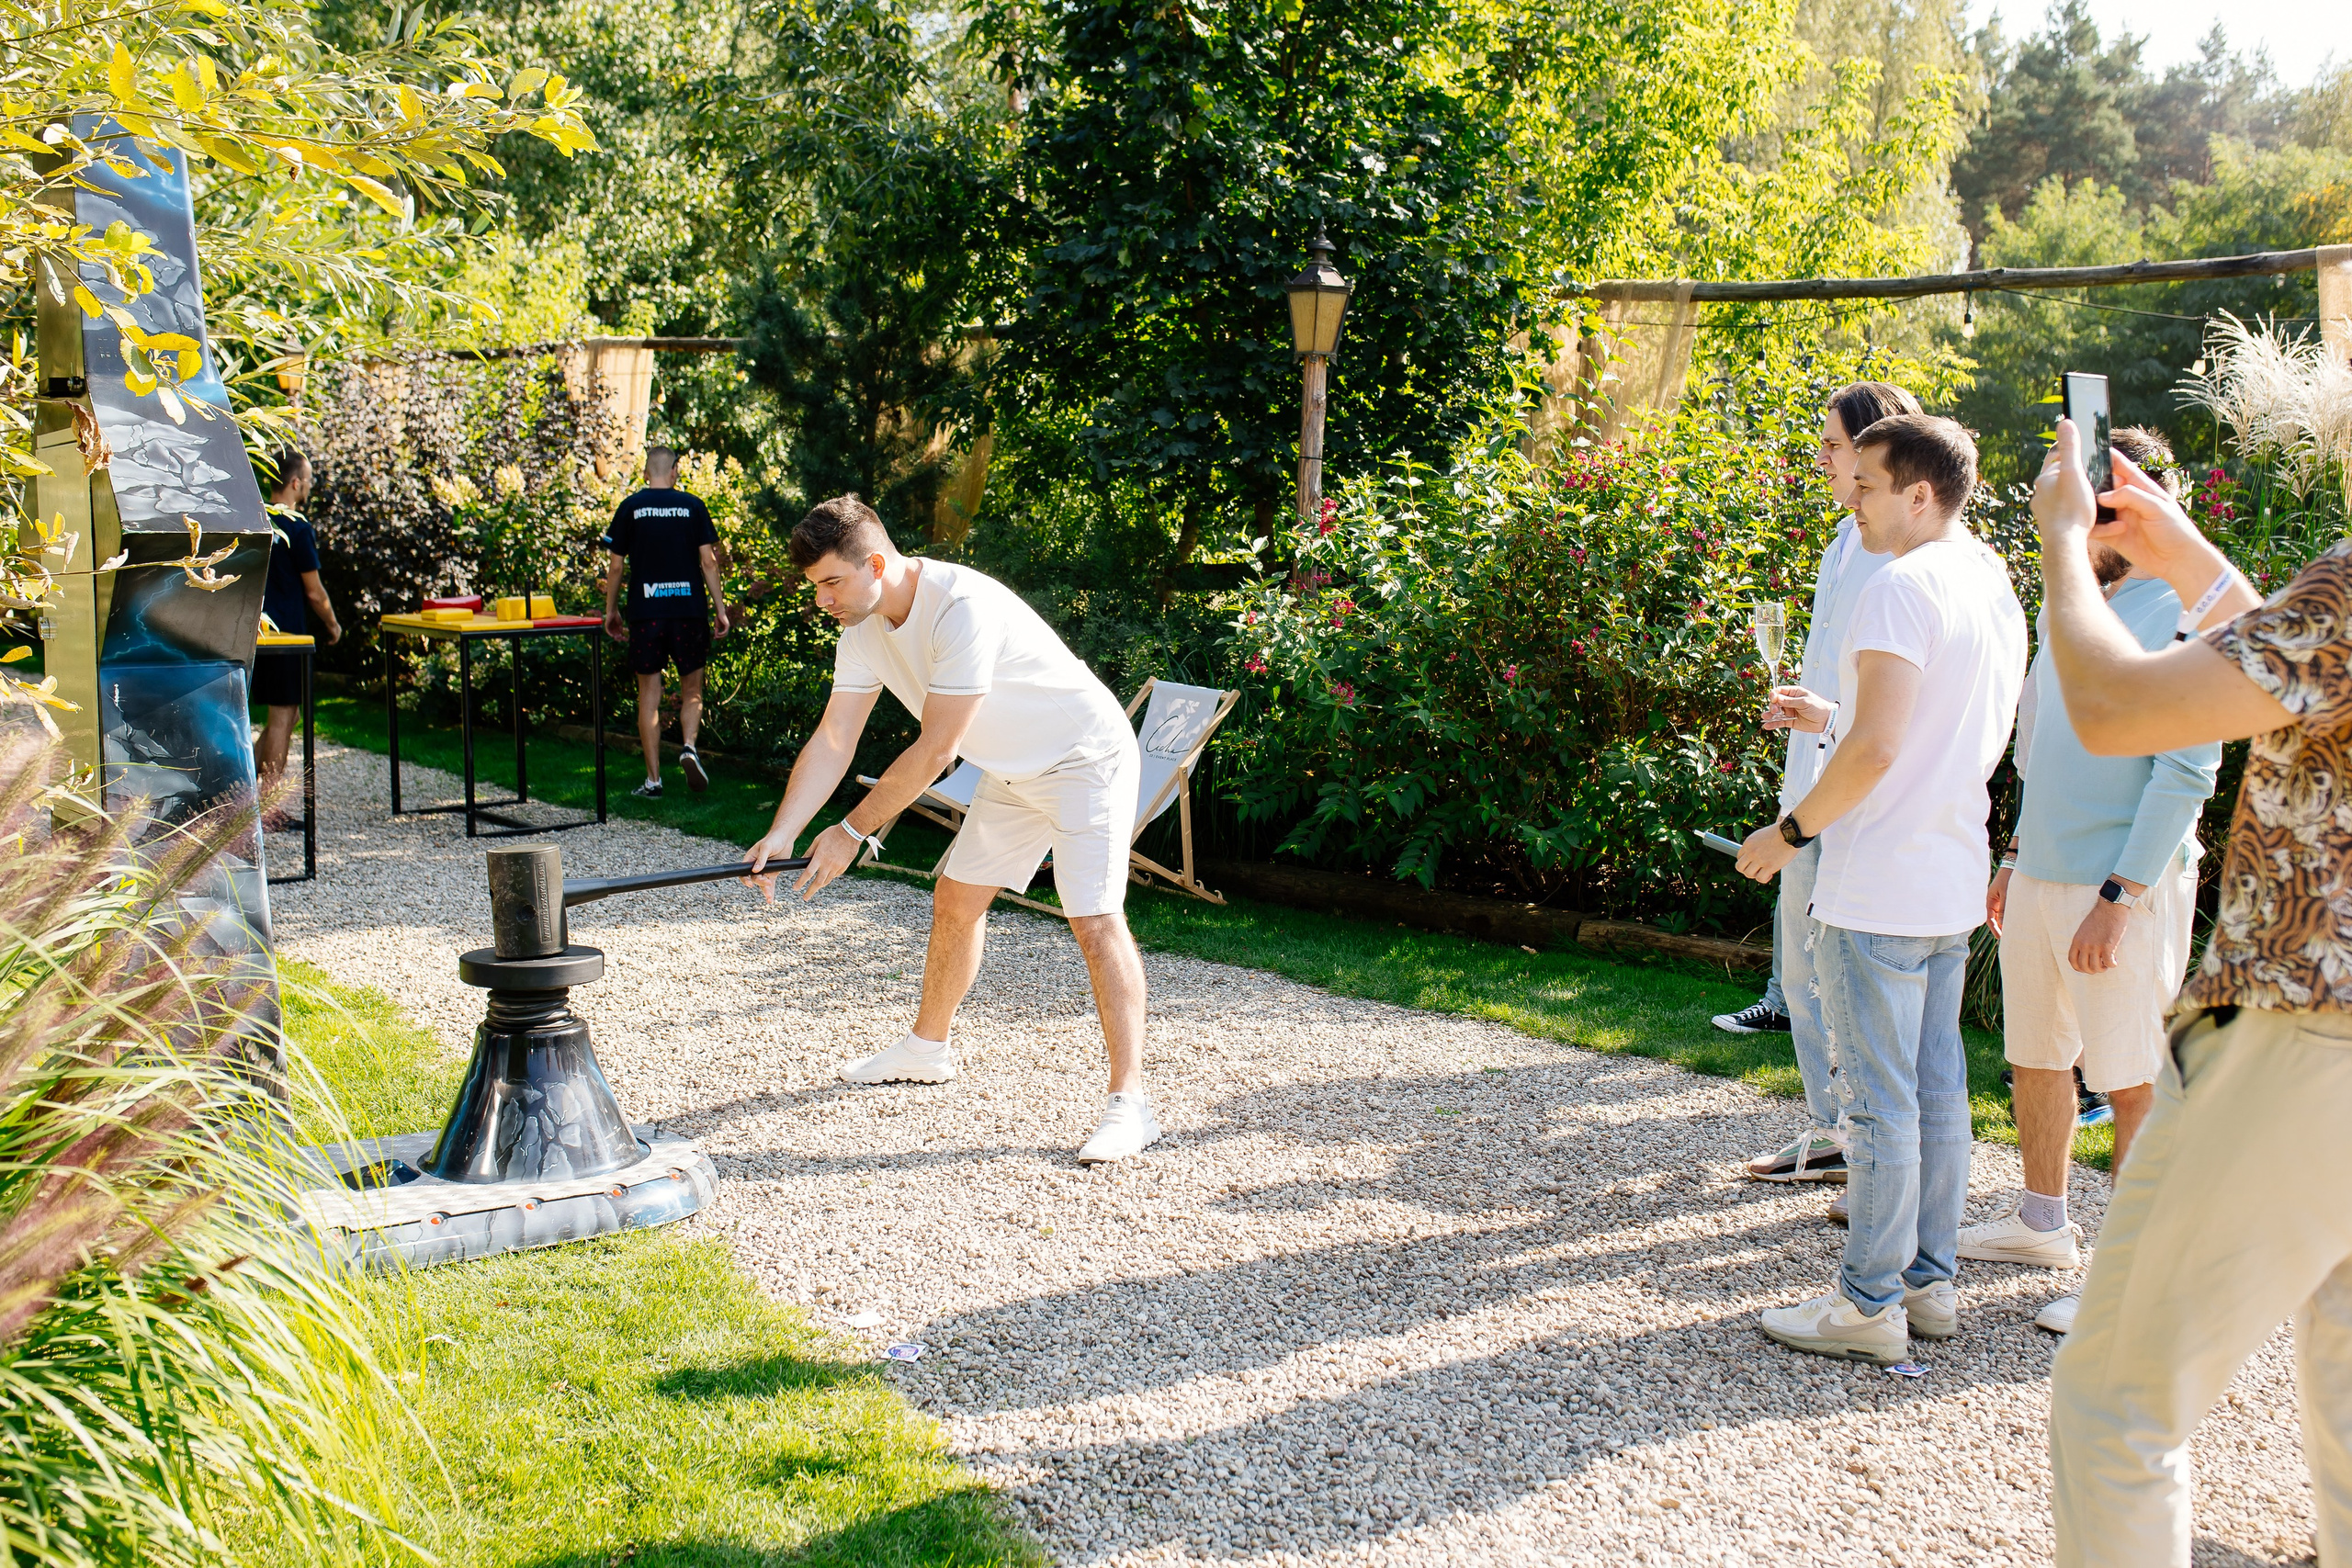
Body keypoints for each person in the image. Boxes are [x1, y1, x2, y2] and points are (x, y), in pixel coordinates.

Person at [2030, 418, 2348, 1568]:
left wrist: (2067, 546)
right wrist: (2185, 558)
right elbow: (2301, 683)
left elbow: (2116, 707)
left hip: (2303, 1037)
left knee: (2117, 1404)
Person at [739, 494, 1159, 1164]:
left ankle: (1131, 1104)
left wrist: (851, 829)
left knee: (1096, 920)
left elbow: (938, 749)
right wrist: (785, 830)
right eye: (816, 586)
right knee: (956, 901)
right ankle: (926, 1048)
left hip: (1085, 759)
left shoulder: (960, 607)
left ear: (875, 563)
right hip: (1013, 770)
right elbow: (835, 735)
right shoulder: (862, 630)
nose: (822, 600)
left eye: (830, 582)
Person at [1736, 414, 2027, 1364]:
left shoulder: (1901, 584)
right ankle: (1927, 1285)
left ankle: (1866, 1303)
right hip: (1949, 864)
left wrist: (1787, 834)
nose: (1847, 499)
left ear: (1918, 493)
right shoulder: (1990, 581)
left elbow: (1875, 748)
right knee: (1939, 1092)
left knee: (1879, 1102)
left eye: (1864, 483)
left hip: (1880, 879)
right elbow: (1931, 725)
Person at [1966, 428, 2218, 1337]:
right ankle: (2040, 1224)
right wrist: (2012, 855)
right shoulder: (2072, 605)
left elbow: (2187, 774)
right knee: (2036, 1055)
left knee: (2129, 1077)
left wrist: (2119, 896)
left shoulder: (2185, 608)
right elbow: (2039, 746)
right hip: (2040, 872)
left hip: (2122, 887)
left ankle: (2131, 1278)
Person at [1729, 381, 1920, 1199]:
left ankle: (1862, 1141)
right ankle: (1828, 1126)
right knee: (1802, 975)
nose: (1824, 459)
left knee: (1850, 983)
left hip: (1858, 800)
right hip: (1806, 779)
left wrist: (1834, 716)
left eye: (1835, 447)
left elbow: (1900, 709)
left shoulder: (1904, 557)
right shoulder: (1842, 544)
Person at [601, 447, 729, 799]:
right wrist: (719, 609)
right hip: (688, 612)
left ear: (645, 472)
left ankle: (653, 781)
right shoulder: (692, 506)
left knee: (649, 697)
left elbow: (615, 567)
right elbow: (708, 561)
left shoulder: (630, 507)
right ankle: (688, 746)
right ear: (674, 471)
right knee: (692, 691)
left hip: (646, 614)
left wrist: (610, 611)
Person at [253, 448, 340, 798]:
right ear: (294, 482)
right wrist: (333, 626)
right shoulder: (297, 526)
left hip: (259, 631)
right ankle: (267, 805)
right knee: (283, 716)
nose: (309, 487)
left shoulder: (257, 518)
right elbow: (315, 592)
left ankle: (239, 791)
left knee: (287, 716)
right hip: (287, 636)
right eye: (308, 481)